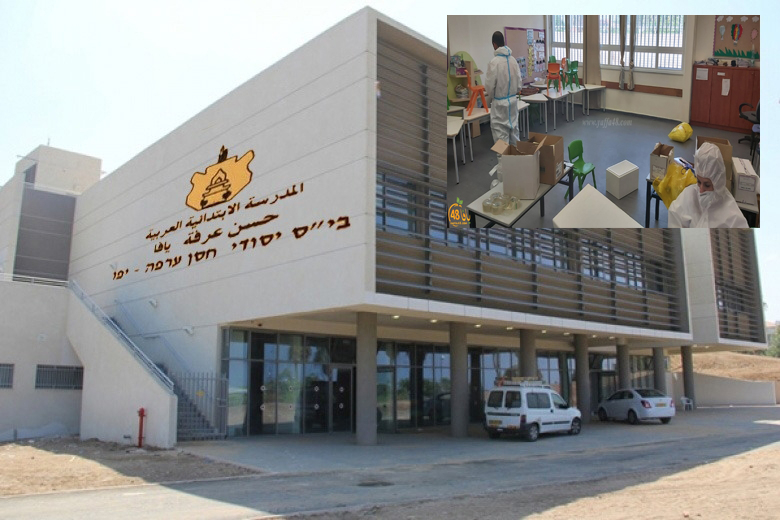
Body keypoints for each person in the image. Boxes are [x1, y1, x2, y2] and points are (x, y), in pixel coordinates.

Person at [668, 143, 748, 228]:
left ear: (717, 184)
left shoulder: (732, 215)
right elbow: (675, 215)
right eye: (699, 182)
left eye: (707, 185)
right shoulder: (690, 195)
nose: (701, 190)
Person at [485, 31, 521, 145]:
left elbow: (489, 87)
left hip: (500, 105)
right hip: (513, 103)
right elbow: (519, 84)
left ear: (494, 44)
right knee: (514, 133)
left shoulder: (494, 63)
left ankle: (504, 157)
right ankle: (517, 155)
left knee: (500, 138)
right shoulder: (513, 61)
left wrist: (494, 97)